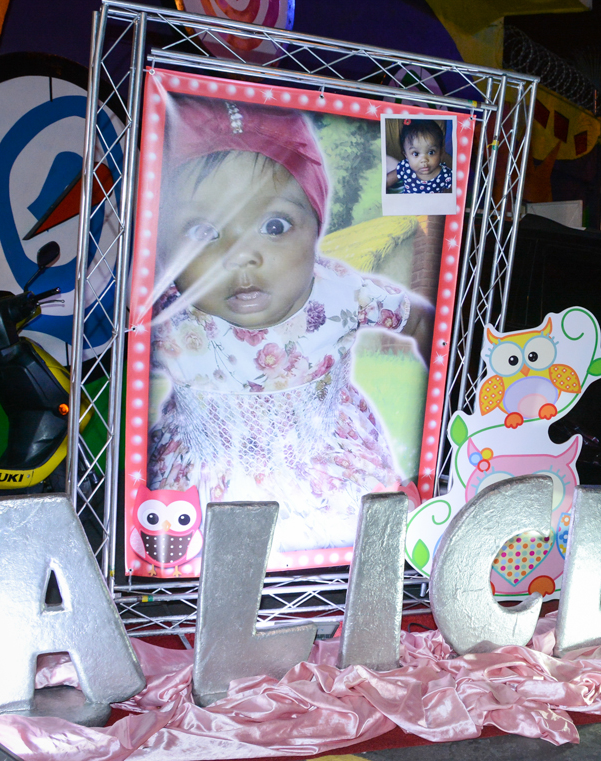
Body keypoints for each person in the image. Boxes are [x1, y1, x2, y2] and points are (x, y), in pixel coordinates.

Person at [147, 97, 431, 554]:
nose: (241, 255)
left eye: (275, 225)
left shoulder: (340, 292)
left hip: (325, 469)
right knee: (198, 568)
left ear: (315, 231)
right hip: (204, 475)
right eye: (203, 231)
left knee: (360, 557)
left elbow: (419, 317)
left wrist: (438, 401)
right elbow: (114, 356)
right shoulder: (168, 313)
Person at [386, 119, 453, 194]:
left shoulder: (446, 175)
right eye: (416, 154)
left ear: (440, 152)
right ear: (406, 155)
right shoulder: (405, 168)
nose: (424, 160)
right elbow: (386, 182)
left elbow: (458, 195)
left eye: (431, 152)